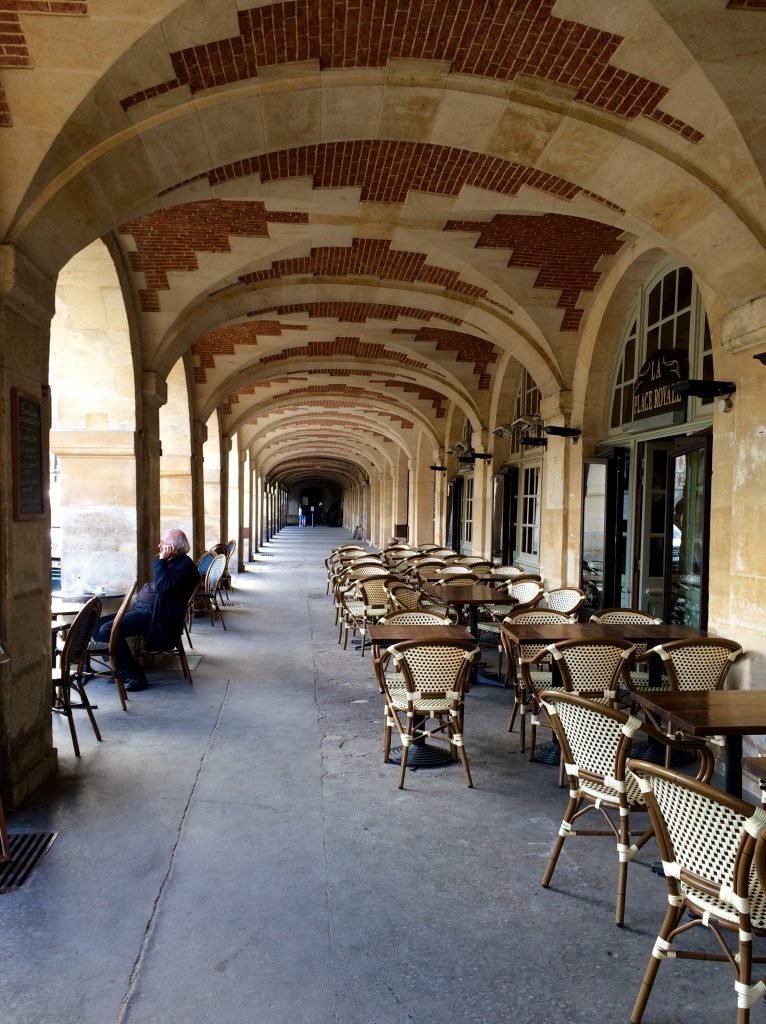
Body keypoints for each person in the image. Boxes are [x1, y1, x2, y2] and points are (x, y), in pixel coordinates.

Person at [92, 528, 199, 692]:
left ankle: (134, 676)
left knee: (108, 630)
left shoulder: (186, 566)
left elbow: (163, 587)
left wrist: (161, 561)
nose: (159, 545)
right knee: (97, 624)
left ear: (173, 547)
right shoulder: (175, 562)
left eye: (163, 543)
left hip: (156, 616)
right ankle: (120, 668)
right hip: (144, 609)